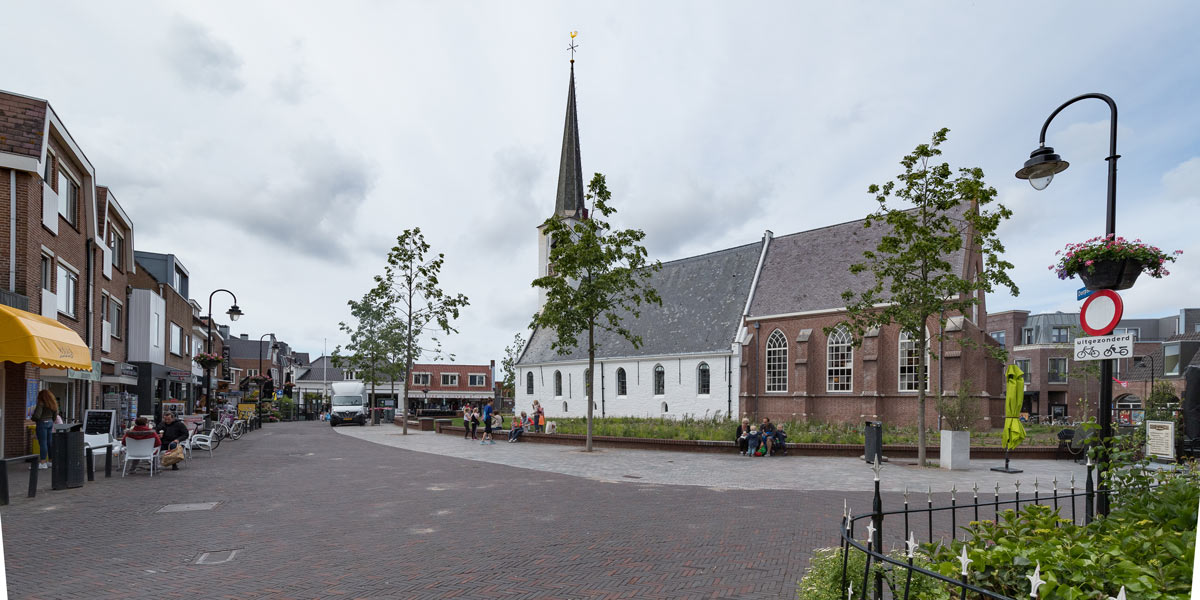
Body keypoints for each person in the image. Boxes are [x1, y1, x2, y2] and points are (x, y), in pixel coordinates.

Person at [31, 390, 59, 470]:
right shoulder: (52, 403)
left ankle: (43, 462)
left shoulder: (41, 403)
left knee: (43, 443)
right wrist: (51, 420)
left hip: (42, 423)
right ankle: (51, 461)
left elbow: (37, 415)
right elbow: (55, 415)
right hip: (50, 422)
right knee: (49, 442)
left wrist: (33, 418)